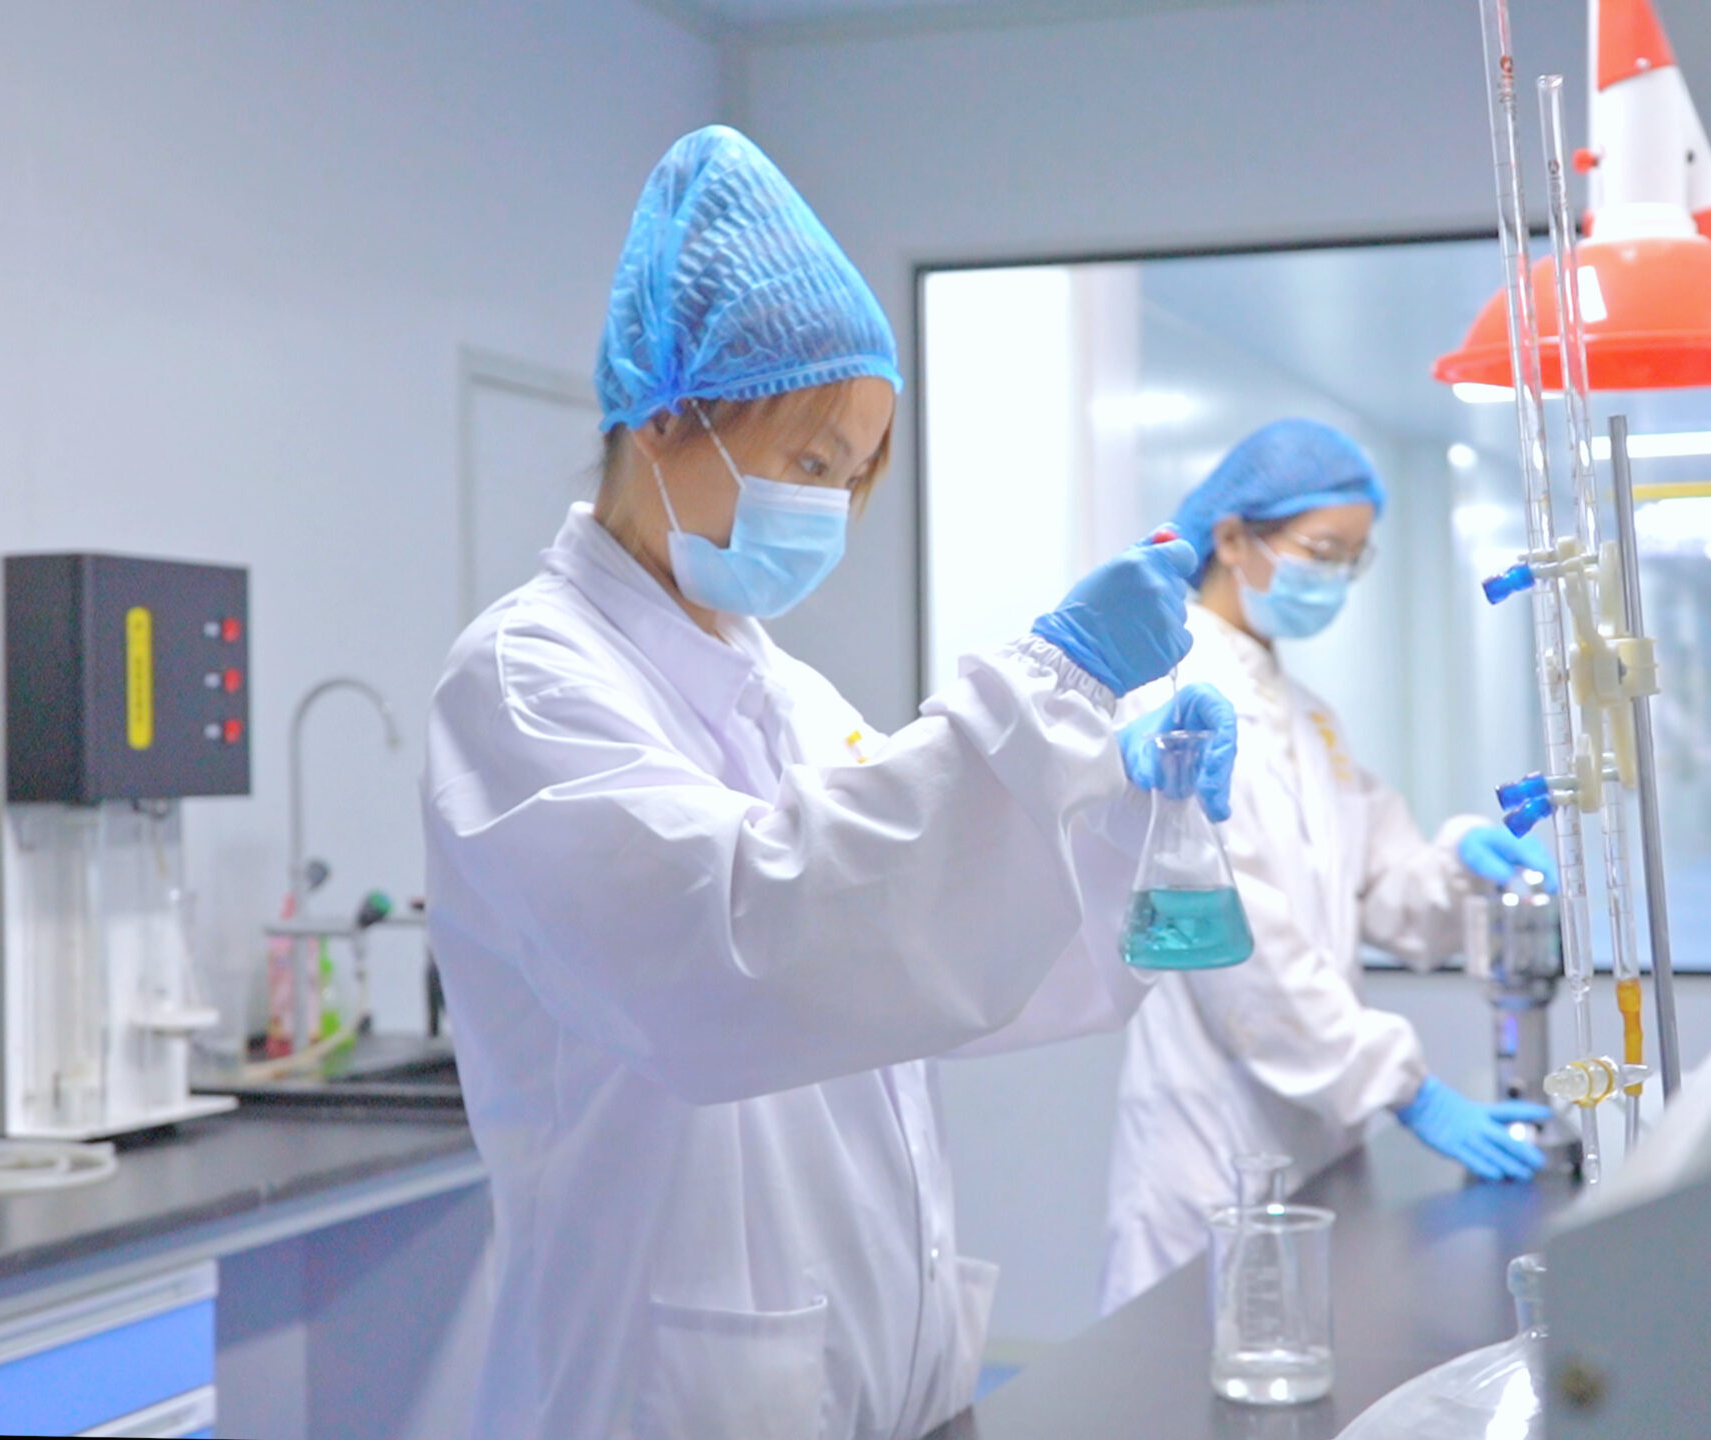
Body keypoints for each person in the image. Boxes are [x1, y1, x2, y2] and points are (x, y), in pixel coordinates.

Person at [424, 126, 1235, 1440]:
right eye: (811, 462)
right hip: (663, 1396)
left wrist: (1121, 817)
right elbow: (747, 954)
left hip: (883, 1378)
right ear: (666, 416)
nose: (834, 510)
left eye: (856, 478)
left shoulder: (786, 689)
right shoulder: (524, 681)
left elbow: (910, 962)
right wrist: (1052, 686)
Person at [1099, 419, 1556, 1313]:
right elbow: (1242, 945)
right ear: (1234, 539)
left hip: (1316, 1131)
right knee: (1190, 1362)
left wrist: (1461, 865)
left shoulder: (1307, 717)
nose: (1337, 579)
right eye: (1321, 552)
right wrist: (1405, 1086)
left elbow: (1386, 891)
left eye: (1353, 558)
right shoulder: (1174, 694)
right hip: (1209, 1134)